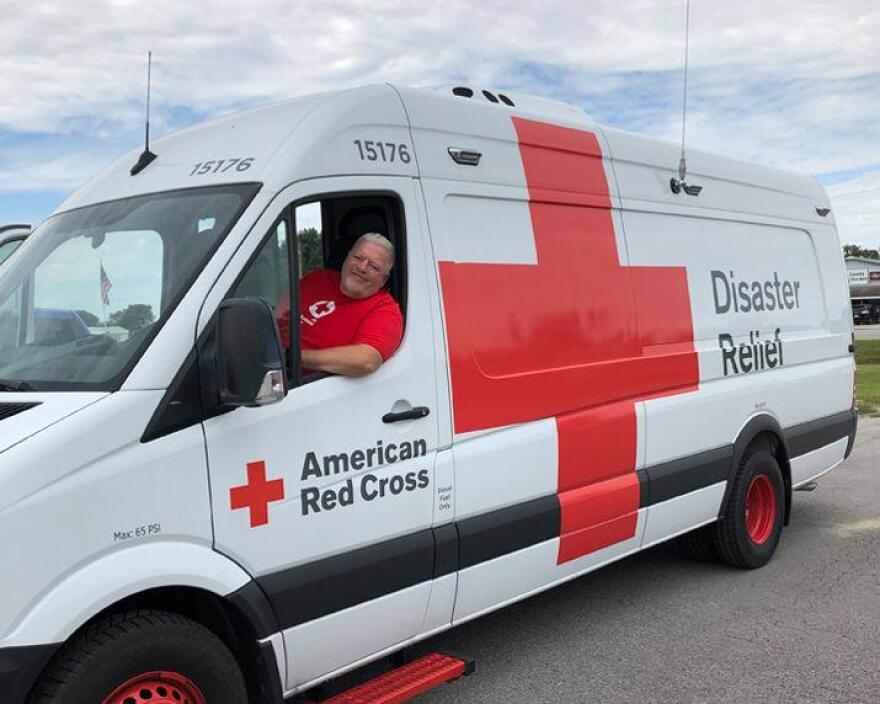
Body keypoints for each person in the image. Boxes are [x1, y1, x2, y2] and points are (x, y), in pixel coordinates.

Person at [296, 232, 402, 376]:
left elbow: (366, 360)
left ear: (383, 280)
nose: (362, 268)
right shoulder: (317, 278)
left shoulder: (385, 310)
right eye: (358, 257)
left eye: (374, 266)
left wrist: (293, 357)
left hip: (299, 387)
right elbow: (277, 315)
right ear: (347, 258)